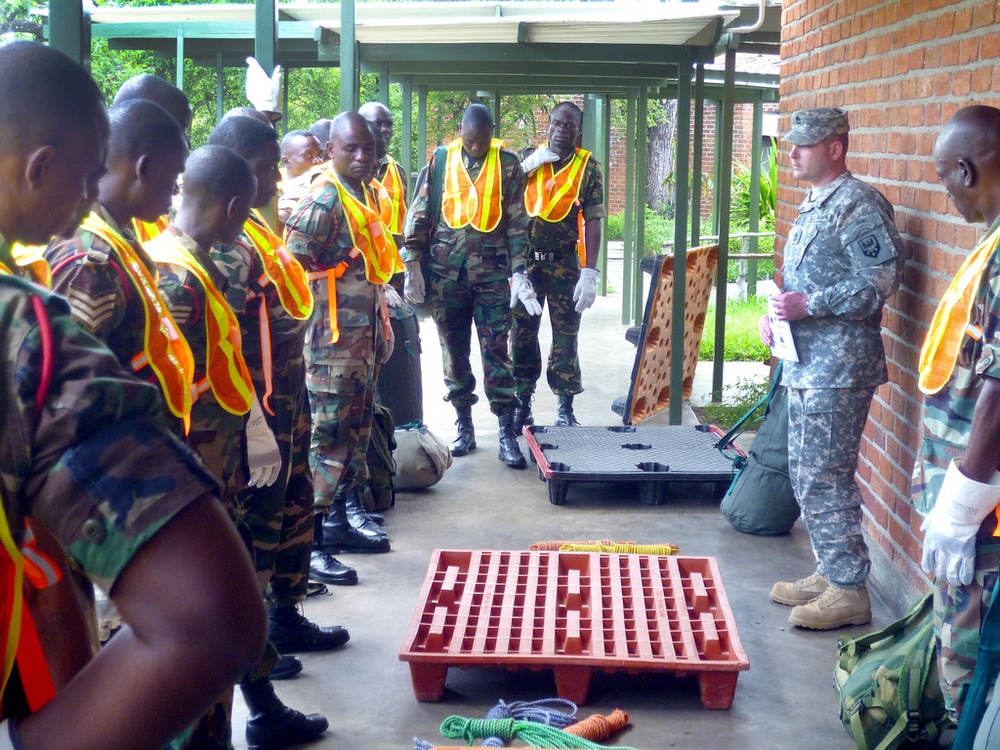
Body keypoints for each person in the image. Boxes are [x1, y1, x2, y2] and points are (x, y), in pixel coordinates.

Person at [0, 40, 265, 750]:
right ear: (39, 168)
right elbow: (207, 618)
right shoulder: (30, 324)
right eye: (88, 177)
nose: (91, 197)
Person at [206, 116, 355, 651]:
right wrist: (252, 422)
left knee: (292, 512)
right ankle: (258, 642)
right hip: (253, 414)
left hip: (287, 402)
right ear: (237, 170)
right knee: (256, 526)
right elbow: (219, 351)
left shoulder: (255, 230)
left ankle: (285, 614)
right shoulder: (219, 247)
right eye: (269, 169)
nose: (278, 180)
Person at [760, 107, 903, 630]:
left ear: (836, 147)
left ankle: (848, 589)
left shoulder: (857, 204)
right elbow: (801, 284)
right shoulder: (816, 202)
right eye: (792, 144)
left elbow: (881, 280)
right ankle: (832, 569)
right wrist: (778, 318)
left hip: (839, 368)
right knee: (806, 471)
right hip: (809, 364)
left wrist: (809, 305)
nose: (792, 153)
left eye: (805, 145)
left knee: (825, 473)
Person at [912, 105, 1000, 724]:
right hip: (970, 490)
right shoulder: (992, 242)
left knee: (968, 665)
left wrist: (964, 500)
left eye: (946, 180)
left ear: (966, 170)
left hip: (982, 506)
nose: (947, 196)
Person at [285, 112, 400, 557]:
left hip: (362, 338)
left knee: (354, 431)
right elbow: (290, 266)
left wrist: (382, 324)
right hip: (331, 344)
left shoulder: (364, 193)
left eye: (368, 148)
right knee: (328, 436)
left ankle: (336, 522)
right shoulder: (324, 200)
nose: (362, 156)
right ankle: (309, 547)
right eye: (350, 148)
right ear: (330, 149)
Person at [403, 103, 535, 468]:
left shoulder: (507, 165)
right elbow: (420, 210)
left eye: (483, 140)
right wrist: (412, 260)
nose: (477, 146)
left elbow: (516, 222)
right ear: (460, 132)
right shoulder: (441, 161)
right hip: (446, 274)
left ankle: (507, 432)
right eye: (471, 140)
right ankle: (465, 426)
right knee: (453, 353)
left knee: (496, 351)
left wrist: (520, 270)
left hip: (492, 275)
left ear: (492, 132)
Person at [511, 101, 605, 431]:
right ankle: (523, 402)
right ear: (547, 125)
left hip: (565, 265)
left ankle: (565, 406)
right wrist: (527, 167)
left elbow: (593, 220)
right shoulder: (528, 158)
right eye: (556, 123)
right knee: (522, 335)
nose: (561, 130)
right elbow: (504, 196)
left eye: (569, 125)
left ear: (578, 131)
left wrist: (590, 271)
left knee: (566, 337)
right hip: (529, 266)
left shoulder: (588, 167)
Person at [359, 101, 407, 242]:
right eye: (378, 124)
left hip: (390, 257)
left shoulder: (397, 170)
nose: (385, 130)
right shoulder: (349, 170)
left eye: (389, 125)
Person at [278, 130, 325, 226]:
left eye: (320, 155)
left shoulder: (324, 183)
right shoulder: (271, 190)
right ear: (286, 162)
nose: (318, 161)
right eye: (308, 155)